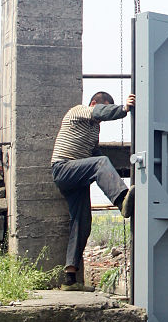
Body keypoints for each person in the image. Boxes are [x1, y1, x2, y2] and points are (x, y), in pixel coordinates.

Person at [51, 91, 136, 290]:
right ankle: (122, 200)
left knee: (82, 222)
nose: (102, 117)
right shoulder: (79, 111)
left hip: (77, 176)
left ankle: (70, 278)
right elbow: (99, 113)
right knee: (100, 163)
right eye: (103, 107)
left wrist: (114, 171)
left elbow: (95, 154)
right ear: (94, 103)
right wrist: (124, 109)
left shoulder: (93, 130)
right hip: (64, 168)